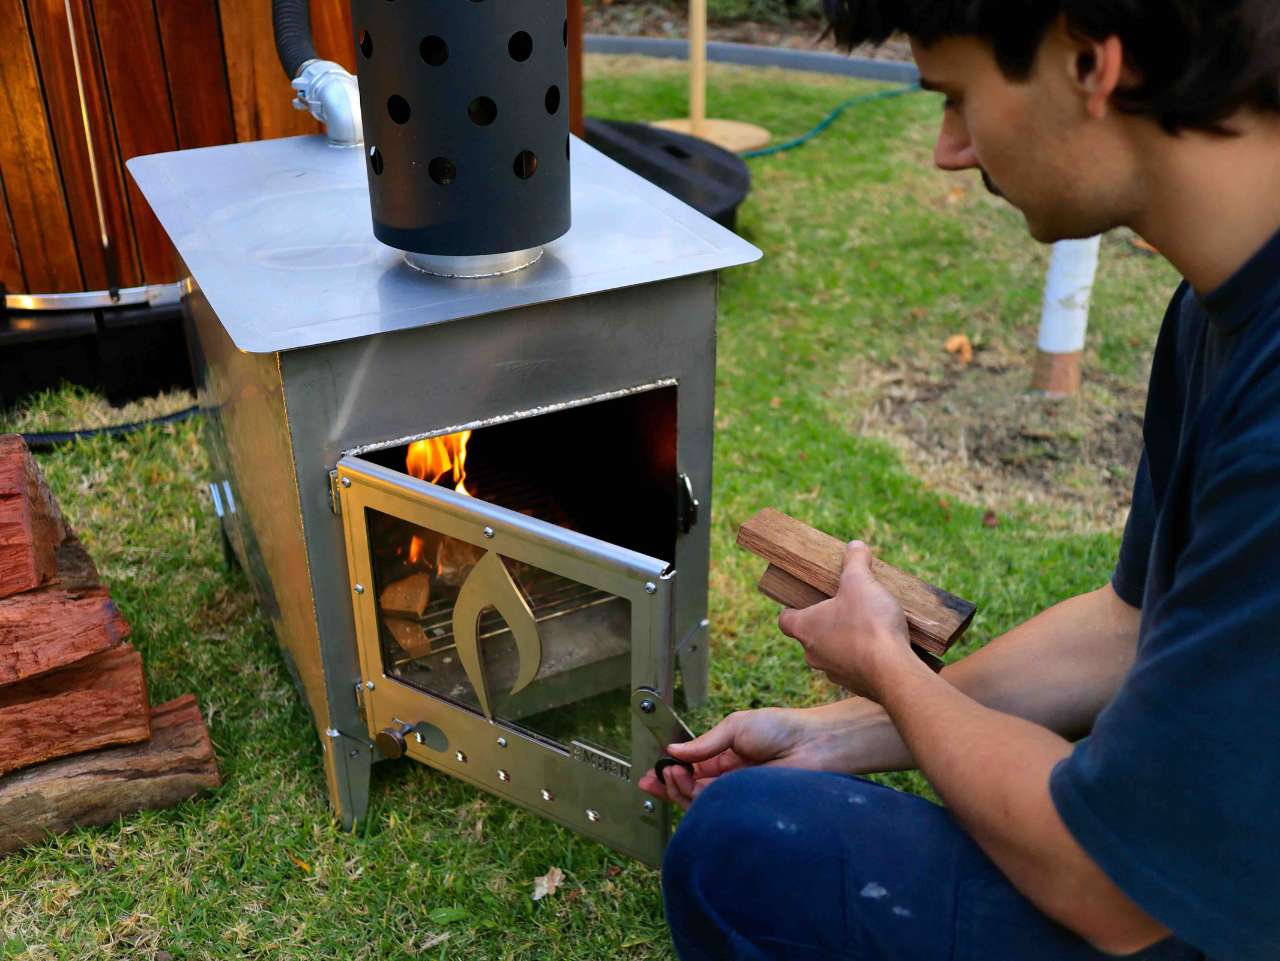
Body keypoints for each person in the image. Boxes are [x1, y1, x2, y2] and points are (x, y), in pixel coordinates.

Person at [638, 3, 1280, 959]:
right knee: (777, 808)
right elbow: (1130, 625)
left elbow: (1109, 887)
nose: (948, 150)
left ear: (1089, 65)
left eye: (958, 99)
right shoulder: (1212, 307)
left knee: (747, 847)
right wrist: (833, 732)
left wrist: (890, 668)